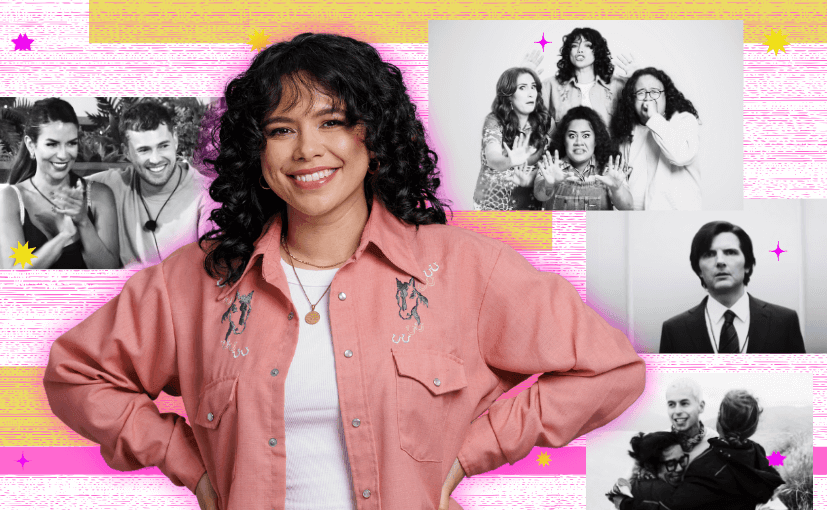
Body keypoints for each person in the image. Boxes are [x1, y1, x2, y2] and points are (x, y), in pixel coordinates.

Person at [42, 33, 645, 510]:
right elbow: (76, 376)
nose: (307, 150)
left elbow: (611, 370)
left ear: (374, 136)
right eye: (281, 130)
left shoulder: (463, 269)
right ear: (256, 151)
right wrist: (188, 463)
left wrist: (471, 453)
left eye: (332, 122)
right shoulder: (194, 282)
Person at [0, 101, 214, 268]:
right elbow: (38, 192)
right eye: (143, 149)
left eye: (163, 146)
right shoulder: (112, 184)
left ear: (176, 141)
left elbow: (216, 271)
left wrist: (79, 224)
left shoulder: (207, 195)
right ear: (126, 153)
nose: (155, 159)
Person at [0, 98, 120, 269]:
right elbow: (15, 277)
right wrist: (63, 237)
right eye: (52, 144)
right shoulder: (11, 198)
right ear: (31, 145)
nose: (63, 155)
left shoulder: (99, 195)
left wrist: (83, 222)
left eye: (71, 143)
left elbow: (109, 272)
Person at [614, 390, 785, 510]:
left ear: (719, 419)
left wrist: (623, 503)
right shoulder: (757, 450)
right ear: (752, 428)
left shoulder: (707, 467)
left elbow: (671, 507)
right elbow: (769, 474)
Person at [660, 221, 805, 353]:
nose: (720, 261)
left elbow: (800, 380)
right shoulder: (674, 330)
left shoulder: (784, 322)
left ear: (747, 264)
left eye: (730, 252)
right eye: (709, 254)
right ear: (699, 270)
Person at [610, 67, 702, 210]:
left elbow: (681, 155)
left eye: (654, 92)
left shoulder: (684, 120)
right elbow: (623, 190)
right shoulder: (628, 133)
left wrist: (653, 117)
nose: (648, 97)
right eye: (641, 92)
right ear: (632, 100)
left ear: (666, 96)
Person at [472, 67, 552, 210]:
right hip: (492, 208)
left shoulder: (545, 121)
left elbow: (556, 163)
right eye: (522, 88)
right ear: (509, 96)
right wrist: (510, 161)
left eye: (533, 87)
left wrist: (535, 178)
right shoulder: (494, 120)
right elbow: (492, 157)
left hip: (528, 209)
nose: (530, 94)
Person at [533, 27, 637, 131]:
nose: (580, 50)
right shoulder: (550, 85)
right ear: (569, 52)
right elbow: (532, 118)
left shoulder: (617, 85)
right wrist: (523, 78)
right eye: (574, 46)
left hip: (609, 147)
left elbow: (640, 114)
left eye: (587, 45)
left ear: (597, 51)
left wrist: (637, 79)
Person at [533, 106, 632, 210]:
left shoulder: (610, 169)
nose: (579, 142)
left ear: (596, 140)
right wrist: (548, 185)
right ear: (563, 140)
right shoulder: (550, 165)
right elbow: (539, 195)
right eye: (572, 136)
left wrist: (617, 189)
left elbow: (628, 207)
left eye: (586, 136)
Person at [605, 431, 688, 508]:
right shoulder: (664, 491)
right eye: (670, 464)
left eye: (682, 460)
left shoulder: (633, 487)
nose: (679, 468)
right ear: (650, 466)